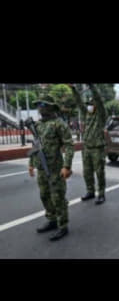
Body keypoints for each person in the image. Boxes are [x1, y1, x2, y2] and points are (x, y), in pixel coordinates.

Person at [28, 93, 74, 241]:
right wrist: (30, 164)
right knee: (44, 196)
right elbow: (35, 145)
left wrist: (67, 166)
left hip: (55, 169)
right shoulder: (37, 125)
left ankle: (62, 225)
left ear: (50, 107)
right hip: (41, 168)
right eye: (38, 105)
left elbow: (69, 145)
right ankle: (52, 220)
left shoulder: (59, 123)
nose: (39, 108)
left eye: (42, 105)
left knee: (58, 198)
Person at [69, 84, 107, 204]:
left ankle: (101, 194)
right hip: (87, 148)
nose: (89, 106)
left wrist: (91, 86)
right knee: (87, 172)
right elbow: (79, 102)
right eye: (89, 105)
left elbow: (99, 99)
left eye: (91, 104)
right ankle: (90, 191)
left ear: (96, 105)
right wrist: (73, 89)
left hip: (97, 149)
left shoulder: (101, 115)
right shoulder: (87, 115)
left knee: (99, 172)